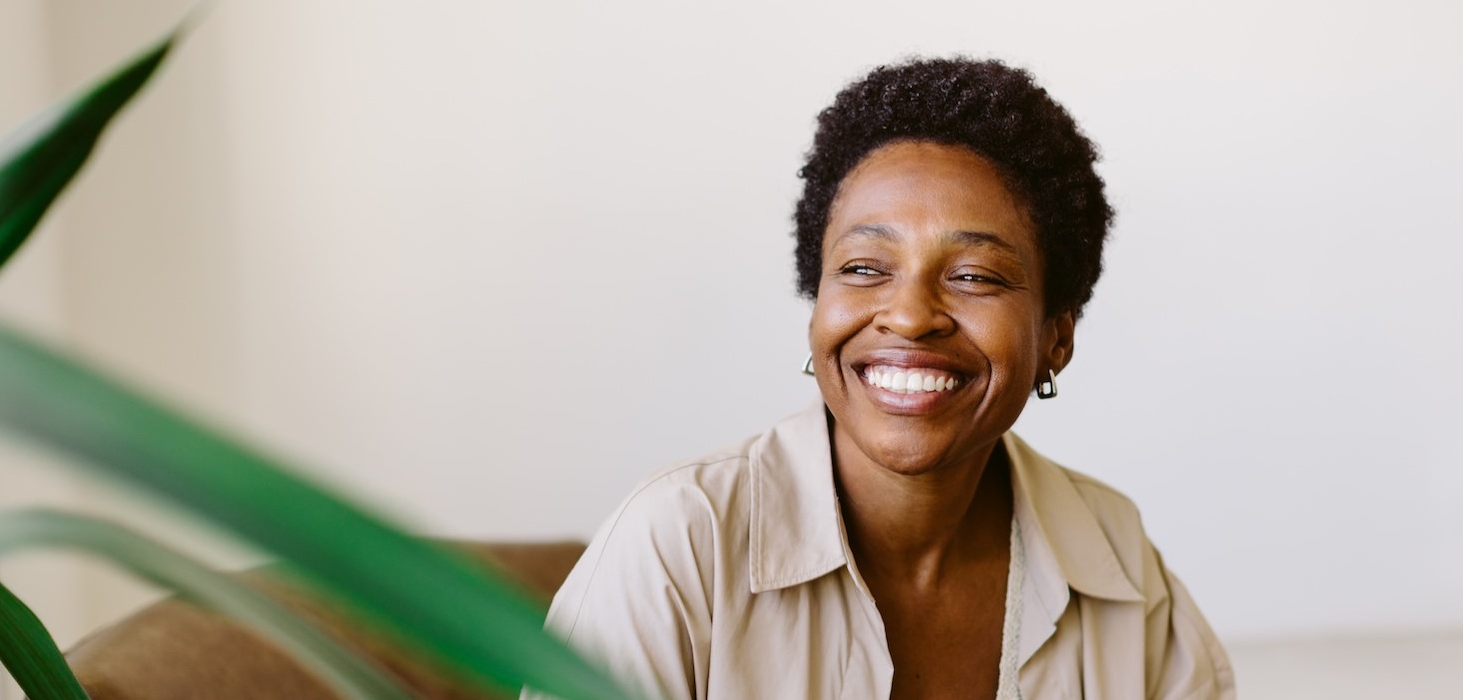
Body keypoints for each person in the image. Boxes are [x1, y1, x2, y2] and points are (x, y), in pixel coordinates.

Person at [528, 57, 1234, 700]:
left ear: (1057, 337)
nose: (909, 315)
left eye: (974, 276)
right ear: (818, 307)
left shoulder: (1114, 558)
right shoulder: (678, 545)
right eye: (864, 268)